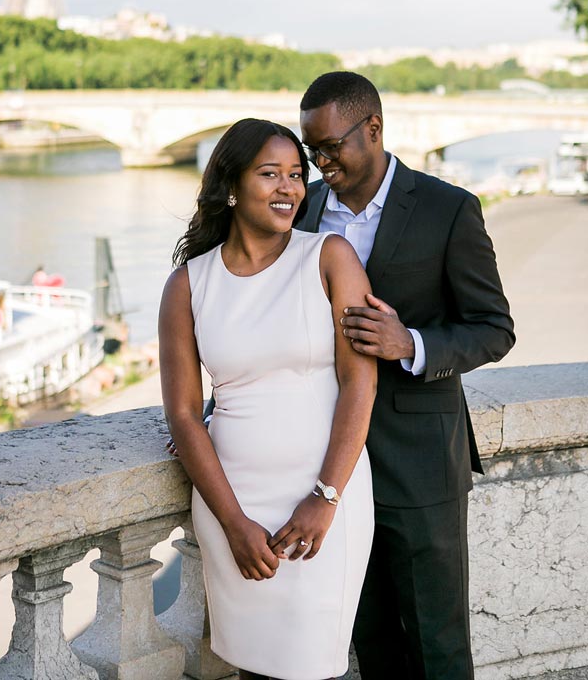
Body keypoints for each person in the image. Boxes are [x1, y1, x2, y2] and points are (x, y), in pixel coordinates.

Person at [298, 72, 515, 680]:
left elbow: (494, 327)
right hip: (332, 463)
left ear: (373, 128)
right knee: (370, 640)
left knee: (437, 644)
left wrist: (410, 344)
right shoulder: (305, 207)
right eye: (310, 148)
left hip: (421, 463)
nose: (319, 162)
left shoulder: (449, 209)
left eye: (331, 146)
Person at [159, 118, 377, 680]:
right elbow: (184, 414)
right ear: (231, 185)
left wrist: (324, 496)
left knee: (312, 665)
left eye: (296, 175)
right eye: (270, 174)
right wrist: (232, 523)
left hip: (325, 498)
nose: (289, 187)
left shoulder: (329, 258)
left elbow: (360, 382)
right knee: (253, 669)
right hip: (232, 503)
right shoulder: (188, 285)